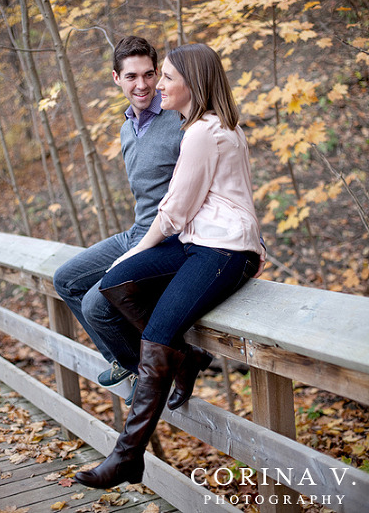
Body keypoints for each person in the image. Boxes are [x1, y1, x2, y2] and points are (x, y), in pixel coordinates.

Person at [74, 43, 266, 490]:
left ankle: (126, 457)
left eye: (167, 78)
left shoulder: (203, 131)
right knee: (115, 284)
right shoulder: (210, 125)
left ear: (191, 84)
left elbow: (175, 208)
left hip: (222, 252)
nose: (159, 86)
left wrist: (136, 249)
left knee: (157, 332)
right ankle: (189, 357)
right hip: (202, 241)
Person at [53, 36, 183, 399]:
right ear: (116, 79)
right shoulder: (127, 127)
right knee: (66, 280)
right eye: (131, 77)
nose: (141, 85)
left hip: (168, 239)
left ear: (158, 74)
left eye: (148, 75)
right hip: (136, 232)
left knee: (98, 302)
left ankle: (150, 375)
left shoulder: (180, 120)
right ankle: (126, 361)